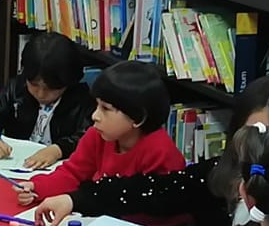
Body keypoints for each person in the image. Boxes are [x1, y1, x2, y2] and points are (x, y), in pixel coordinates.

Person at [32, 75, 269, 226]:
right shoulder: (220, 172)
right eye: (252, 131)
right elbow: (150, 190)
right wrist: (74, 199)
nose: (260, 144)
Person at [18, 60, 185, 206]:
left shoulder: (160, 152)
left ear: (137, 118)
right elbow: (73, 174)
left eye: (106, 109)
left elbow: (159, 209)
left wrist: (82, 203)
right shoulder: (97, 135)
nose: (94, 116)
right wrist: (37, 187)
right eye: (97, 105)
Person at [0, 31, 94, 171]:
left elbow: (89, 136)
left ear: (68, 81)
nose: (40, 94)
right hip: (14, 166)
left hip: (59, 171)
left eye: (50, 89)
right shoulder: (16, 89)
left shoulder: (82, 99)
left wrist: (58, 150)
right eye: (34, 85)